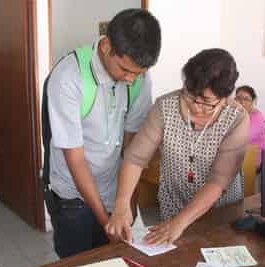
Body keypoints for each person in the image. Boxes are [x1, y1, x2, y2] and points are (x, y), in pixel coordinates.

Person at [43, 9, 161, 258]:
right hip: (73, 197)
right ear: (106, 46)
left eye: (137, 73)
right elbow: (75, 159)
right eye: (125, 70)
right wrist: (105, 221)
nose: (130, 79)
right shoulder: (68, 77)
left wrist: (126, 202)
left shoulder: (139, 75)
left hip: (114, 189)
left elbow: (132, 147)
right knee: (80, 264)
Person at [105, 48, 249, 245]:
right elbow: (135, 158)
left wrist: (180, 222)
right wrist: (121, 204)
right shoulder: (165, 106)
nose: (196, 106)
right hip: (174, 204)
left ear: (224, 98)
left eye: (207, 102)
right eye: (190, 95)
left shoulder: (236, 118)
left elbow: (218, 181)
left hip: (221, 213)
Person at [235, 85, 265, 169]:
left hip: (251, 157)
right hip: (237, 154)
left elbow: (244, 138)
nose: (241, 102)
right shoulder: (235, 115)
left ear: (252, 101)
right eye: (238, 98)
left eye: (246, 99)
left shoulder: (257, 116)